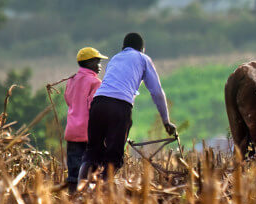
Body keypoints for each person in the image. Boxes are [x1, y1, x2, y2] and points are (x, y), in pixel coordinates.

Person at [79, 32, 177, 180]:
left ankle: (80, 193)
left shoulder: (115, 58)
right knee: (113, 157)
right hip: (119, 106)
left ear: (123, 47)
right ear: (142, 49)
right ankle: (104, 191)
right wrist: (166, 121)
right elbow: (156, 92)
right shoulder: (143, 58)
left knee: (92, 152)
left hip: (98, 103)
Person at [63, 46, 107, 190]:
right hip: (88, 132)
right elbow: (94, 107)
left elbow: (68, 99)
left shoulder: (71, 80)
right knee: (90, 171)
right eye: (98, 62)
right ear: (89, 63)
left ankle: (71, 198)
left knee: (74, 170)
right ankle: (85, 202)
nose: (100, 66)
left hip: (72, 130)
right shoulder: (95, 83)